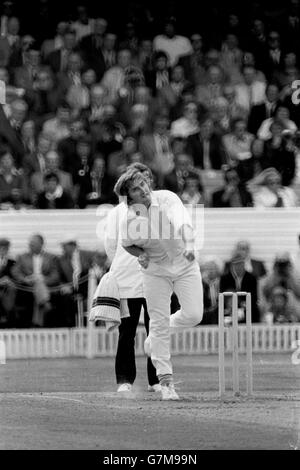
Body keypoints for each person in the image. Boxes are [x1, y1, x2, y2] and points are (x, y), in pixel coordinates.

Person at [115, 166, 203, 400]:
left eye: (143, 183)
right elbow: (126, 243)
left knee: (194, 315)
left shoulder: (167, 198)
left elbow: (182, 222)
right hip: (155, 272)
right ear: (128, 196)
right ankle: (166, 383)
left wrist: (191, 246)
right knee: (159, 319)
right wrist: (139, 254)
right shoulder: (129, 220)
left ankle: (154, 335)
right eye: (136, 188)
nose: (143, 190)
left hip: (185, 262)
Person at [104, 163, 160, 393]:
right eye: (137, 182)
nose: (143, 185)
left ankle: (156, 379)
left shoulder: (159, 207)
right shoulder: (117, 213)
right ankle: (124, 379)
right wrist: (123, 264)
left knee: (155, 329)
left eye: (146, 180)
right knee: (127, 331)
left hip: (154, 276)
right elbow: (110, 245)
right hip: (127, 277)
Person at [0, 237, 16, 327]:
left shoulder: (12, 262)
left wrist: (10, 281)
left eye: (6, 248)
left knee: (10, 290)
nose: (3, 250)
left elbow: (15, 275)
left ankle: (7, 315)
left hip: (8, 287)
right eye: (1, 248)